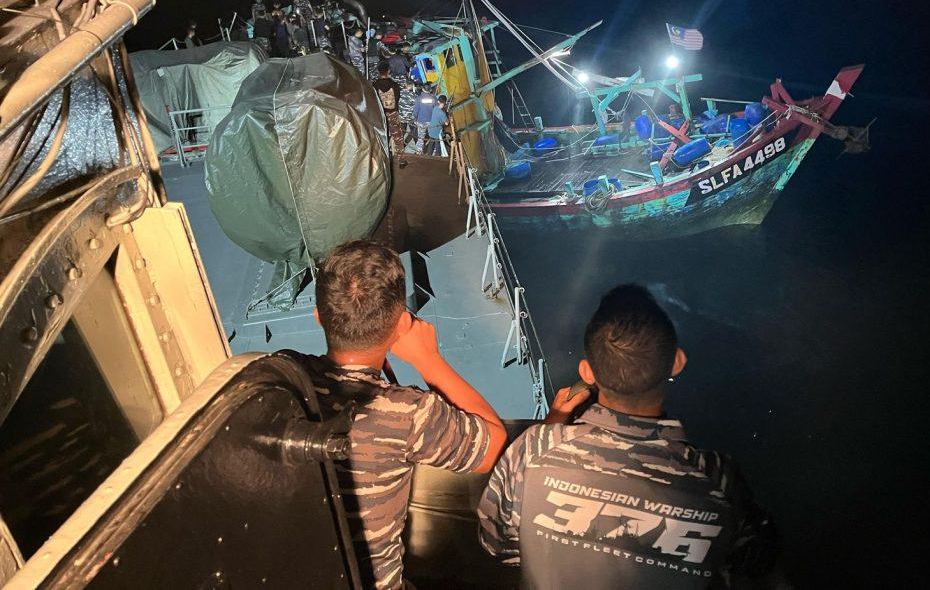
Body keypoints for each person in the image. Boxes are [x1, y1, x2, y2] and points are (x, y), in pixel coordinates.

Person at [477, 285, 778, 588]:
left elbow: (496, 543)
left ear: (587, 372)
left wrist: (551, 426)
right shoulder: (717, 478)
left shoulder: (534, 449)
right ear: (677, 362)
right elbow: (756, 559)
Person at [282, 241, 507, 589]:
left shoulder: (282, 375)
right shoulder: (408, 413)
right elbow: (492, 446)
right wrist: (429, 360)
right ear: (403, 324)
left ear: (319, 316)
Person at [374, 60, 403, 155]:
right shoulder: (395, 85)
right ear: (388, 71)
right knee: (397, 137)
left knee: (381, 136)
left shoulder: (374, 86)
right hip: (393, 113)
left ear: (378, 71)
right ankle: (400, 158)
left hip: (379, 115)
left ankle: (383, 156)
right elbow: (397, 98)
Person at [411, 82, 437, 152]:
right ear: (430, 90)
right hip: (431, 122)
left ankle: (419, 151)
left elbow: (416, 111)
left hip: (421, 121)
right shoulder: (434, 98)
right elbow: (436, 110)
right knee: (433, 137)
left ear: (422, 89)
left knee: (421, 138)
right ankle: (434, 151)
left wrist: (414, 119)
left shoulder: (418, 99)